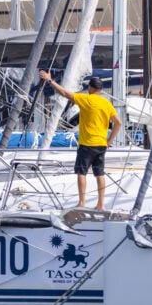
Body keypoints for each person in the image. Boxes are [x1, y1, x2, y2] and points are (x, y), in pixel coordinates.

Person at [38, 70, 121, 210]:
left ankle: (82, 203)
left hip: (86, 144)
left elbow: (64, 93)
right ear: (100, 89)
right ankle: (100, 205)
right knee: (99, 174)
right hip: (101, 144)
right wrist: (109, 141)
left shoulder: (86, 99)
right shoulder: (106, 103)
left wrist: (50, 81)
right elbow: (118, 123)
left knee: (82, 173)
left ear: (90, 88)